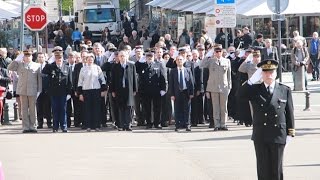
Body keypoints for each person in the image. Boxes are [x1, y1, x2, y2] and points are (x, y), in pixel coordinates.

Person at [238, 59, 295, 180]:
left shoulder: (284, 90)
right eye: (265, 72)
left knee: (276, 169)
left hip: (278, 134)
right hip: (261, 134)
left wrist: (290, 133)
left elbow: (289, 113)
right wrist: (251, 80)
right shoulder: (254, 89)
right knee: (263, 169)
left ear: (276, 73)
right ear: (261, 74)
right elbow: (239, 95)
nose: (269, 75)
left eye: (271, 72)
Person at [8, 49, 42, 133]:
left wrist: (39, 90)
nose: (27, 58)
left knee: (32, 109)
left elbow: (39, 79)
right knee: (24, 109)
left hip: (32, 90)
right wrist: (16, 59)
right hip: (22, 90)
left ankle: (33, 126)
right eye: (26, 56)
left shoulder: (37, 65)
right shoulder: (19, 65)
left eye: (29, 56)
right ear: (23, 57)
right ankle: (26, 127)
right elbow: (9, 67)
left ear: (32, 57)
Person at [199, 44, 232, 131]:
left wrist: (229, 86)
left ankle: (223, 124)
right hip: (213, 86)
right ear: (214, 52)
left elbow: (229, 75)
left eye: (219, 51)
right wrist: (208, 54)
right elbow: (201, 65)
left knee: (224, 107)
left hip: (224, 86)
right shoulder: (210, 61)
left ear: (222, 52)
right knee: (215, 107)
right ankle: (217, 124)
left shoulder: (227, 61)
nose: (218, 53)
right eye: (216, 51)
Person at [42, 46, 72, 133]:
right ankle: (55, 127)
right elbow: (44, 74)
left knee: (63, 110)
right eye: (57, 58)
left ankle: (64, 127)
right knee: (54, 110)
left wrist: (69, 92)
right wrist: (49, 61)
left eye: (60, 58)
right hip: (54, 92)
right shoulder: (51, 66)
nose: (59, 60)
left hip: (63, 92)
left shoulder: (67, 66)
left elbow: (69, 81)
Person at [136, 51, 166, 129]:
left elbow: (163, 78)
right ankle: (149, 123)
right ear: (145, 58)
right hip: (145, 90)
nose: (150, 58)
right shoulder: (142, 65)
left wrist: (163, 89)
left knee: (157, 107)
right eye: (148, 57)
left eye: (151, 57)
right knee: (147, 108)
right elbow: (137, 72)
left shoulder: (158, 65)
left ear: (154, 57)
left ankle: (157, 123)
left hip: (156, 90)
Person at [77, 53, 107, 131]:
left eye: (91, 59)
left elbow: (102, 79)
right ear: (86, 60)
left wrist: (103, 90)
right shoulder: (83, 69)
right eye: (88, 59)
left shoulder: (97, 68)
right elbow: (80, 82)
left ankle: (97, 125)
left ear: (93, 60)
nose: (90, 60)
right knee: (87, 109)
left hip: (96, 90)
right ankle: (88, 126)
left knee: (96, 108)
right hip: (86, 91)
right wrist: (80, 93)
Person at [110, 51, 137, 131]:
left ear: (126, 57)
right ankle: (121, 125)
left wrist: (135, 89)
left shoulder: (131, 65)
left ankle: (128, 125)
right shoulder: (115, 67)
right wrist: (113, 90)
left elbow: (134, 78)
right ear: (118, 57)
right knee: (121, 107)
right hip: (119, 90)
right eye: (120, 56)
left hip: (129, 90)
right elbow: (113, 80)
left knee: (128, 107)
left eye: (123, 56)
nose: (122, 57)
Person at [169, 55, 194, 132]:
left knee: (187, 109)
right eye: (178, 60)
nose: (179, 61)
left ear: (183, 61)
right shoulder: (173, 71)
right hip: (177, 93)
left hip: (186, 92)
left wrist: (191, 93)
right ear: (176, 61)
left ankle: (187, 125)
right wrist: (172, 94)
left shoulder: (188, 70)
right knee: (177, 109)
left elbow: (191, 82)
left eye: (181, 59)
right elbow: (171, 84)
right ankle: (178, 125)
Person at [36, 53, 52, 129]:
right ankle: (40, 123)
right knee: (39, 107)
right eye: (39, 57)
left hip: (47, 90)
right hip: (38, 90)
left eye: (42, 57)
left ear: (45, 58)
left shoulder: (49, 66)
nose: (41, 58)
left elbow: (51, 77)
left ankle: (49, 122)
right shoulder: (35, 66)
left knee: (48, 107)